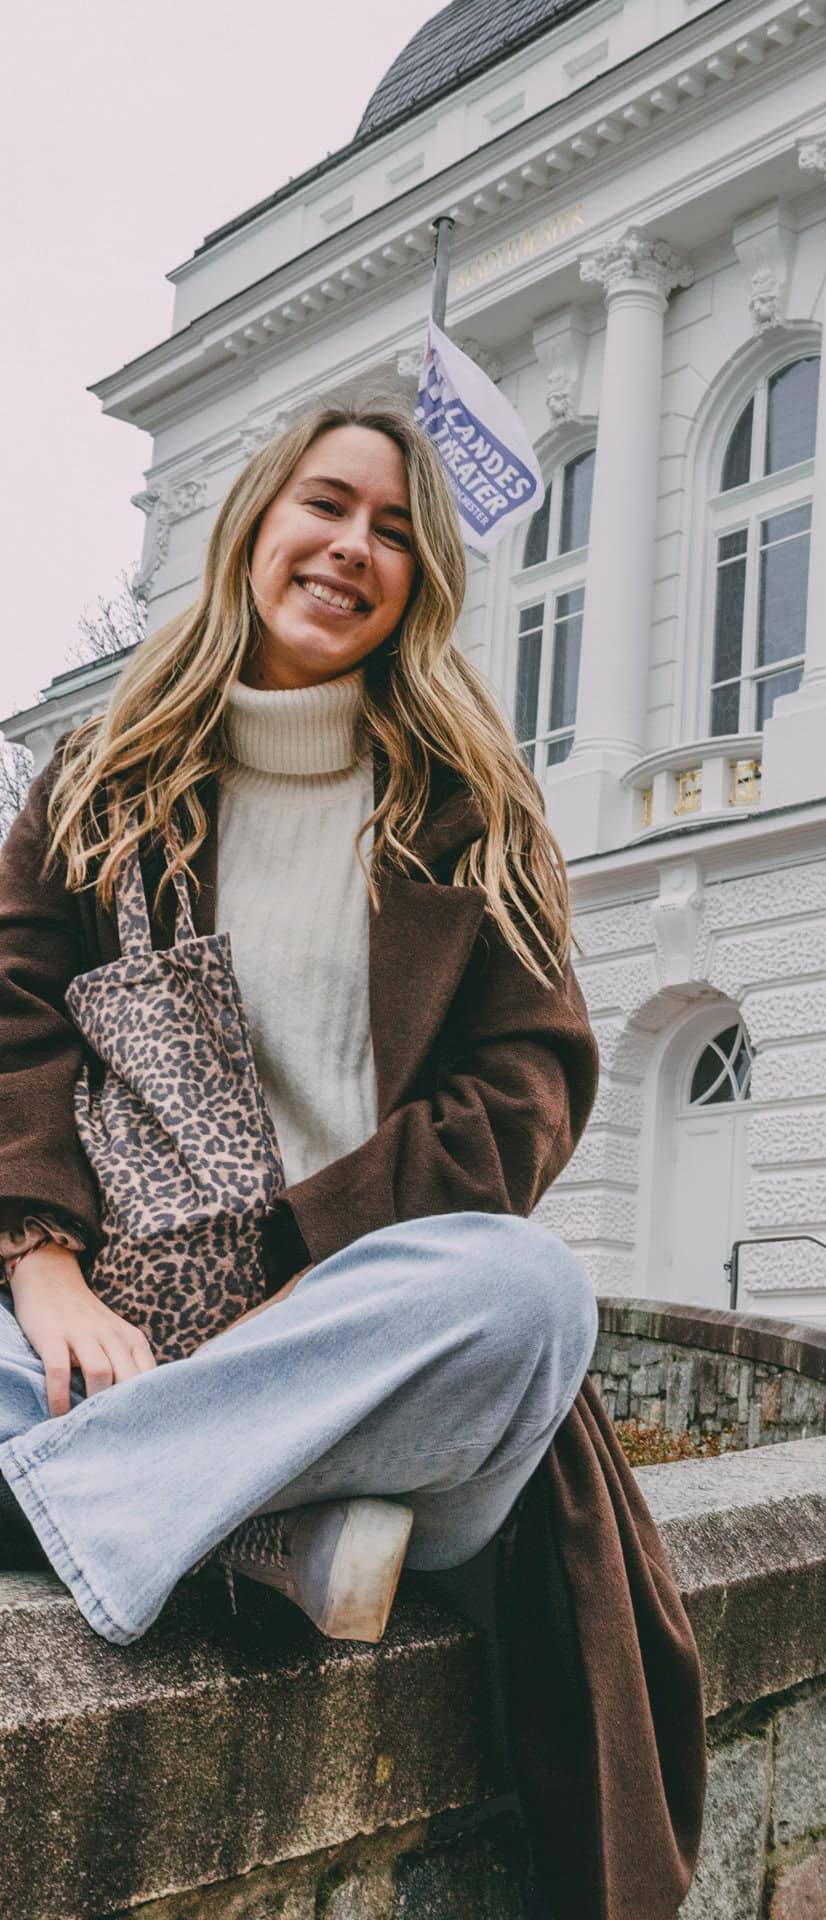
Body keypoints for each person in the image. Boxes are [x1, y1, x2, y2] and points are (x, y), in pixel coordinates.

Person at [0, 397, 602, 1650]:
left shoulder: (477, 811)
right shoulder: (99, 777)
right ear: (256, 525)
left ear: (419, 584)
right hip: (100, 1325)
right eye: (325, 505)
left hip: (331, 1337)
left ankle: (106, 1491)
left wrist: (299, 1275)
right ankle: (260, 1535)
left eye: (392, 532)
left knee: (530, 1295)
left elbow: (526, 1088)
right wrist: (41, 1264)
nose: (349, 547)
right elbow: (13, 1019)